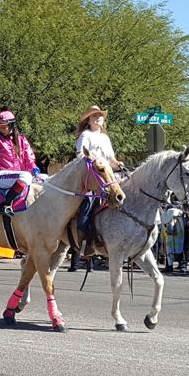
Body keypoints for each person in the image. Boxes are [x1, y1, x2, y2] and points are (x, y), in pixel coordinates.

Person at [74, 105, 123, 261]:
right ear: (88, 120)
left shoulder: (105, 138)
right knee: (87, 206)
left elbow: (111, 160)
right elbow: (82, 157)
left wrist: (118, 164)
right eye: (94, 116)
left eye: (100, 115)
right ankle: (84, 242)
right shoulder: (85, 136)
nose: (98, 118)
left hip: (107, 176)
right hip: (92, 176)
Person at [0, 107, 39, 217]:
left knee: (44, 178)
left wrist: (35, 170)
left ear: (12, 125)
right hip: (1, 176)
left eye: (4, 127)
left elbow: (29, 159)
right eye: (0, 127)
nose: (2, 129)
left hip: (18, 177)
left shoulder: (21, 139)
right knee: (26, 176)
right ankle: (5, 204)